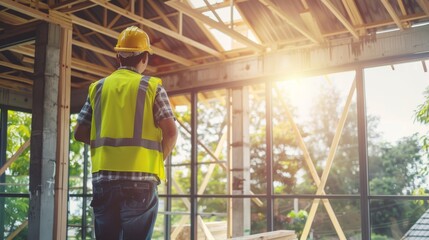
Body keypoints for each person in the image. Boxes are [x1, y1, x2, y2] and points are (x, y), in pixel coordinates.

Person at [74, 26, 178, 240]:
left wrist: (106, 145)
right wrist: (156, 160)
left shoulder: (98, 88)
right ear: (145, 57)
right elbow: (171, 132)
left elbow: (80, 132)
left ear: (117, 56)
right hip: (141, 181)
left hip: (104, 180)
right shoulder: (152, 87)